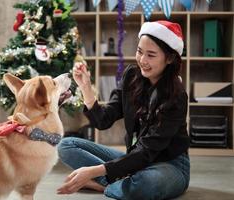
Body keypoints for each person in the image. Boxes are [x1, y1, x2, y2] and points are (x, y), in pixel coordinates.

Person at [57, 20, 190, 200]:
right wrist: (86, 88)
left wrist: (92, 172)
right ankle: (122, 180)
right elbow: (103, 120)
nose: (143, 60)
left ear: (170, 58)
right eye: (139, 51)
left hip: (169, 164)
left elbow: (147, 151)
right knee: (66, 145)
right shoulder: (131, 76)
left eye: (151, 55)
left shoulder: (177, 96)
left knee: (146, 184)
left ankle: (104, 185)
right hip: (135, 158)